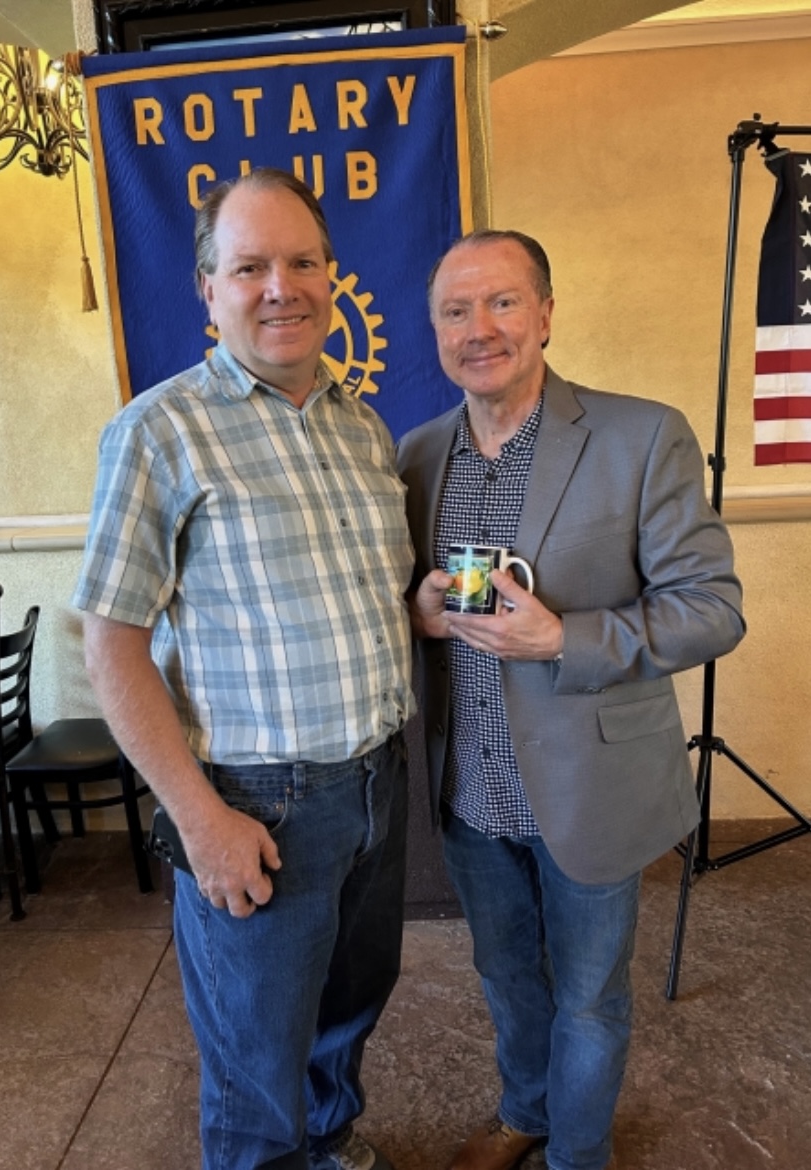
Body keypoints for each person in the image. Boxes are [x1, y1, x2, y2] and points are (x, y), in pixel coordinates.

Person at [73, 168, 415, 1170]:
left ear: (331, 277)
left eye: (302, 261)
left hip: (373, 786)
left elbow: (364, 599)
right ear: (207, 289)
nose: (282, 286)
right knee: (254, 1066)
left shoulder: (362, 428)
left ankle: (327, 1155)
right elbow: (113, 645)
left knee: (345, 1019)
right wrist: (198, 816)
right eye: (251, 265)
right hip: (257, 805)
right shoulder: (158, 431)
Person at [396, 229, 746, 1170]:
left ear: (546, 313)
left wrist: (565, 638)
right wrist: (419, 617)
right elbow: (407, 602)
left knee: (589, 997)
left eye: (502, 302)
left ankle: (573, 1157)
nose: (481, 328)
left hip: (592, 790)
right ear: (433, 329)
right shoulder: (416, 455)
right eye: (455, 310)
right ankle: (526, 1112)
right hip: (470, 792)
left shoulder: (642, 434)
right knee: (508, 977)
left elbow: (712, 611)